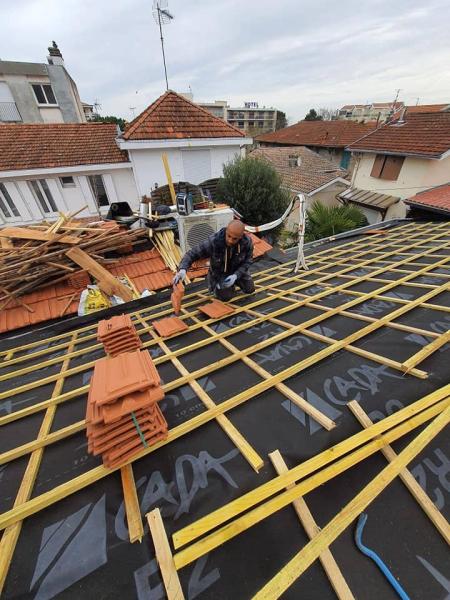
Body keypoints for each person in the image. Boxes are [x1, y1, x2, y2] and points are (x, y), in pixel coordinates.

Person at [173, 220, 255, 301]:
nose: (230, 240)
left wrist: (236, 275)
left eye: (234, 239)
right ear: (226, 231)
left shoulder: (247, 242)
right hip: (220, 273)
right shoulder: (214, 241)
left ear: (240, 237)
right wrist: (182, 269)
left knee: (250, 289)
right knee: (225, 297)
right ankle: (216, 287)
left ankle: (235, 281)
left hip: (237, 270)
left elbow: (248, 261)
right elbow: (192, 254)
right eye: (228, 236)